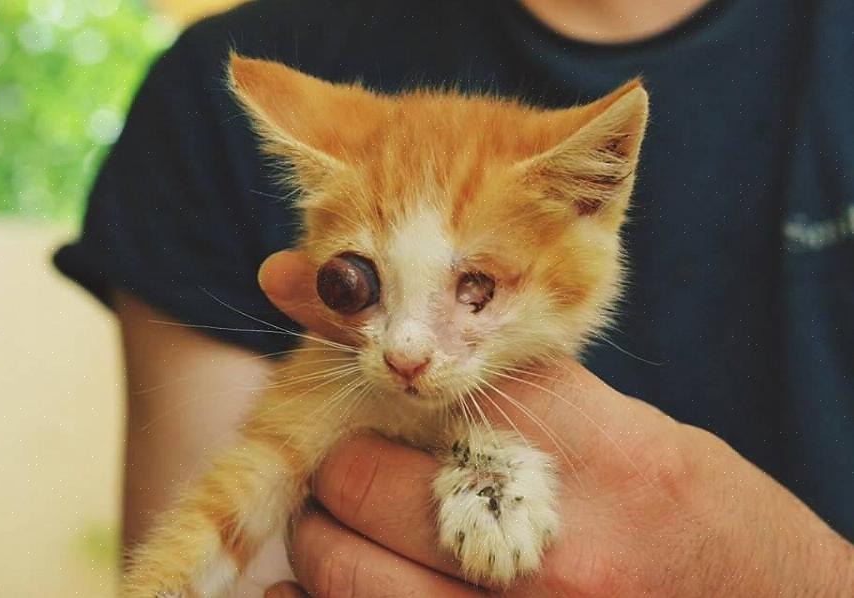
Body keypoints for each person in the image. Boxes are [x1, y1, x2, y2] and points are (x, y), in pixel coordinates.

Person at [54, 0, 854, 595]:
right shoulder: (209, 86)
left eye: (475, 288)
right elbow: (230, 513)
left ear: (594, 195)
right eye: (354, 285)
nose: (404, 350)